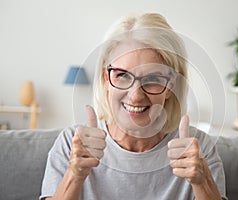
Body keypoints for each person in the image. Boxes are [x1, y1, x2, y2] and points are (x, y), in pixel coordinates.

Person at [40, 13, 227, 200]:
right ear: (106, 79)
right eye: (122, 75)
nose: (136, 96)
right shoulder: (70, 143)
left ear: (171, 86)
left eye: (153, 79)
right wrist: (75, 174)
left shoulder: (198, 149)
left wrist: (202, 182)